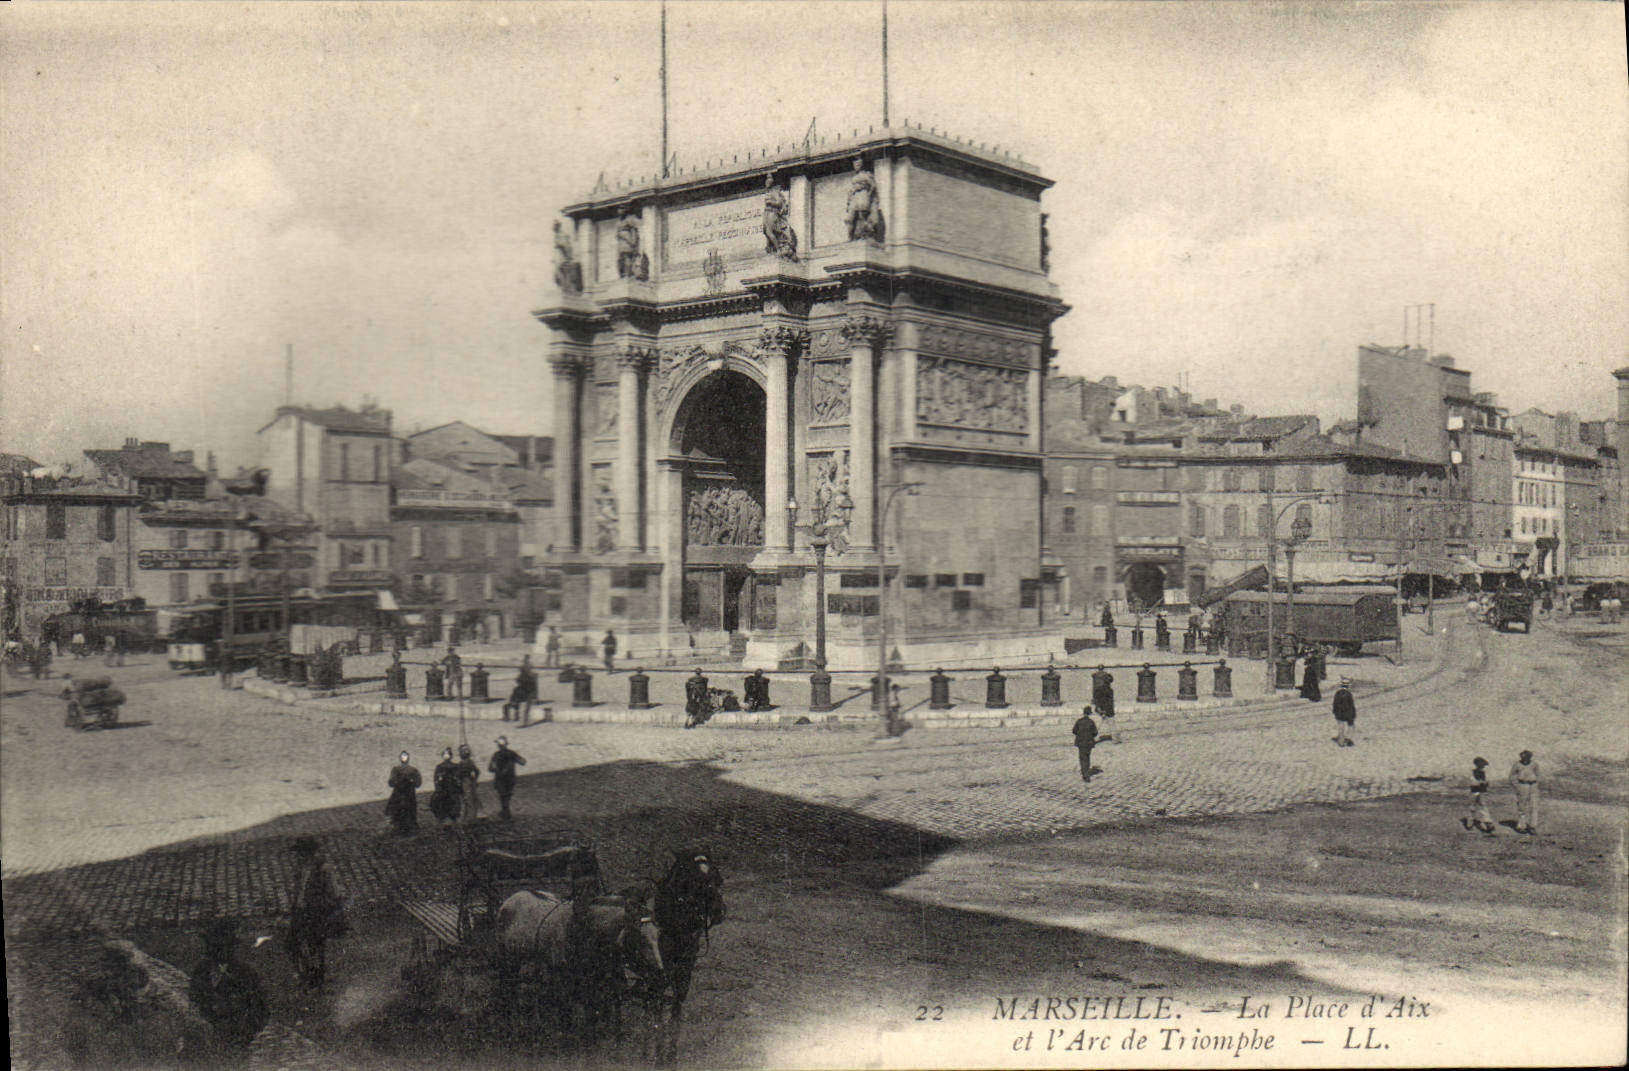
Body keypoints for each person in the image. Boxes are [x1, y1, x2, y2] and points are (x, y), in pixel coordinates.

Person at [189, 919, 267, 1050]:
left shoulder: (245, 973)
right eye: (213, 947)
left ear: (231, 948)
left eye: (224, 947)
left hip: (235, 1042)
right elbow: (194, 999)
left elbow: (260, 1009)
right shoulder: (201, 970)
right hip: (206, 1044)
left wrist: (247, 1035)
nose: (218, 952)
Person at [286, 837, 345, 989]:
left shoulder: (323, 869)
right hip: (300, 911)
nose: (299, 857)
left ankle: (316, 976)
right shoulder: (301, 868)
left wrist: (319, 906)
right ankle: (306, 972)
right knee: (291, 943)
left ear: (310, 853)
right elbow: (298, 890)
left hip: (316, 913)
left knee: (315, 945)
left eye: (301, 853)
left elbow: (334, 894)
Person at [488, 736, 526, 821]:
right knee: (507, 795)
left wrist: (497, 769)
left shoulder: (496, 755)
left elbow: (490, 768)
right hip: (510, 779)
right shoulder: (512, 753)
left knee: (503, 795)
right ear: (506, 744)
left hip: (500, 779)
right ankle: (505, 812)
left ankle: (505, 812)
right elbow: (523, 762)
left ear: (498, 745)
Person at [385, 751, 421, 835]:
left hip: (403, 793)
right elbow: (418, 783)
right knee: (404, 809)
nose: (404, 758)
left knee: (403, 809)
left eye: (405, 756)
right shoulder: (399, 769)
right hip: (405, 793)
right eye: (403, 756)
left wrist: (396, 782)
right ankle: (404, 827)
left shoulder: (411, 770)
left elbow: (418, 783)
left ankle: (404, 827)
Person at [1509, 750, 1540, 835]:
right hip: (1522, 785)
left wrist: (1536, 784)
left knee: (1534, 806)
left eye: (1527, 758)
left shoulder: (1534, 764)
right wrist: (1516, 786)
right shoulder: (1517, 764)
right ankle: (1521, 826)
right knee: (1522, 806)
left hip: (1533, 786)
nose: (1525, 760)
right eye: (1523, 758)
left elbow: (1538, 774)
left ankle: (1533, 826)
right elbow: (1511, 776)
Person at [430, 747, 462, 826]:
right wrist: (438, 786)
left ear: (451, 756)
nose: (446, 756)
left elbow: (459, 776)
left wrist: (458, 783)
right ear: (442, 756)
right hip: (443, 787)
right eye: (445, 754)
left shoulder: (455, 766)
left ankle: (453, 817)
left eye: (448, 754)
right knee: (442, 801)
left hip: (453, 787)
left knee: (454, 801)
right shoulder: (440, 766)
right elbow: (436, 778)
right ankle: (445, 817)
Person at [1463, 757, 1495, 834]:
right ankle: (1469, 824)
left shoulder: (1485, 773)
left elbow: (1487, 782)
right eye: (1480, 765)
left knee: (1483, 807)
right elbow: (1472, 782)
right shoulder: (1471, 772)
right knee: (1472, 807)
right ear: (1476, 765)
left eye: (1483, 765)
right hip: (1474, 791)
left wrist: (1484, 783)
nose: (1482, 767)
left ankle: (1488, 823)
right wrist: (1480, 782)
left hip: (1482, 791)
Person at [1071, 707, 1099, 784]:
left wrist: (1080, 735)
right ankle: (1086, 773)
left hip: (1080, 742)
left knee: (1082, 758)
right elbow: (1095, 732)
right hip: (1089, 742)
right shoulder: (1091, 722)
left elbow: (1074, 731)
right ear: (1090, 714)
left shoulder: (1079, 721)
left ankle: (1085, 773)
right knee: (1087, 757)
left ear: (1083, 713)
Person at [504, 657, 537, 722]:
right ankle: (515, 715)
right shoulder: (529, 677)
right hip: (525, 694)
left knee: (513, 700)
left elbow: (518, 681)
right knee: (515, 696)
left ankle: (508, 717)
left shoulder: (522, 678)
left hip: (523, 694)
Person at [456, 743, 482, 822]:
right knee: (474, 797)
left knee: (467, 798)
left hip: (465, 782)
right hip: (471, 781)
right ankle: (478, 814)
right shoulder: (471, 762)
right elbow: (477, 771)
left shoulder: (462, 763)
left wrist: (458, 781)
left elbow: (458, 774)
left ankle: (470, 817)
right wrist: (475, 778)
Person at [1090, 666, 1116, 741]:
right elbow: (1110, 702)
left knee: (1097, 725)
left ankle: (1091, 739)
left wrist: (1099, 708)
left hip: (1100, 709)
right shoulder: (1110, 690)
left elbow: (1096, 699)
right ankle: (1116, 739)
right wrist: (1107, 710)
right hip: (1108, 710)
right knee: (1112, 725)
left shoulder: (1098, 689)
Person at [1331, 677, 1356, 746]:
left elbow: (1335, 703)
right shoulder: (1348, 694)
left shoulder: (1338, 693)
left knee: (1341, 727)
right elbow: (1351, 704)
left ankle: (1341, 741)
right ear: (1348, 686)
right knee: (1350, 726)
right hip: (1348, 713)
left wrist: (1335, 712)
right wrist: (1353, 713)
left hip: (1339, 713)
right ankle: (1348, 739)